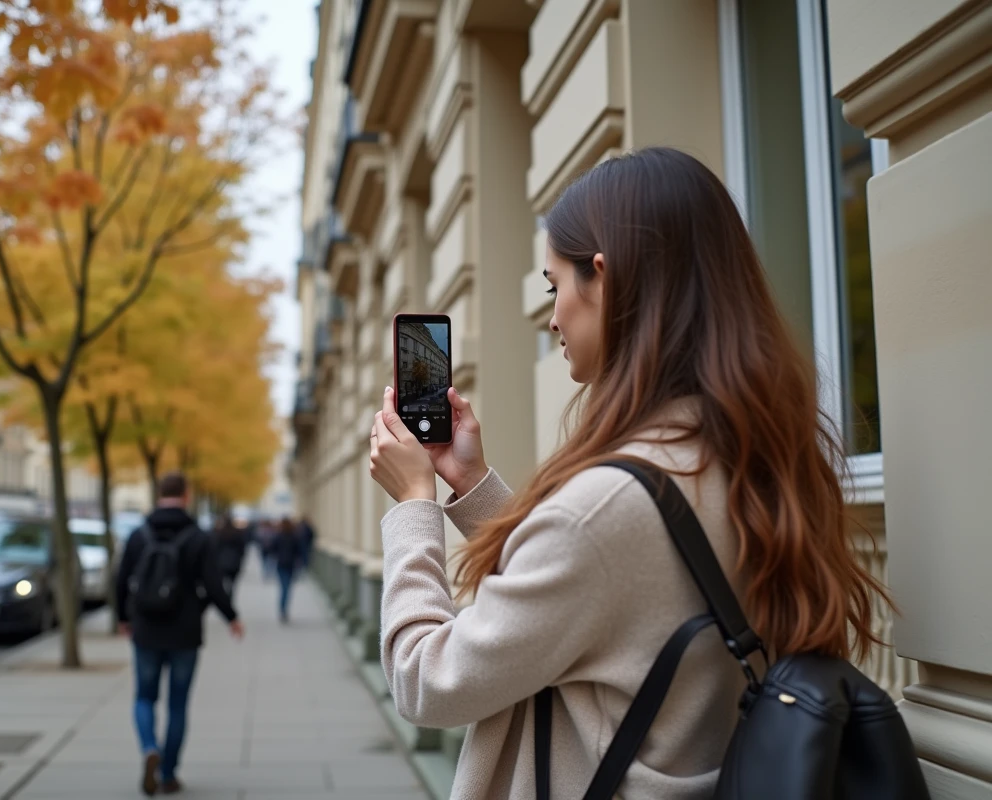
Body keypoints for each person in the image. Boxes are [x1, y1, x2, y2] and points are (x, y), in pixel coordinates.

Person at [368, 148, 890, 799]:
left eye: (557, 287)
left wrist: (416, 502)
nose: (553, 317)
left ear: (605, 278)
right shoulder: (752, 453)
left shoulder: (605, 509)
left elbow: (427, 680)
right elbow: (609, 595)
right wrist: (472, 489)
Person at [116, 472, 245, 796]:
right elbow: (213, 584)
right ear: (186, 496)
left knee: (144, 696)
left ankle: (149, 748)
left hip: (145, 627)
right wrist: (231, 617)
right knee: (177, 704)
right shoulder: (199, 537)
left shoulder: (138, 535)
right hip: (185, 631)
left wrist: (123, 617)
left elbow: (121, 579)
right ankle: (168, 773)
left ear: (158, 494)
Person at [269, 517, 302, 623]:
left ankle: (282, 609)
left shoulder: (278, 536)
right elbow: (299, 551)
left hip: (281, 564)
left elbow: (272, 549)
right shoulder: (294, 536)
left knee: (283, 588)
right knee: (287, 588)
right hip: (290, 565)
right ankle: (284, 609)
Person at [212, 515, 248, 603]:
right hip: (234, 562)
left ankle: (224, 598)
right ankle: (229, 597)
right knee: (232, 583)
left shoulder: (219, 533)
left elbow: (215, 548)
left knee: (222, 582)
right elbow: (242, 549)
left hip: (221, 562)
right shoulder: (237, 533)